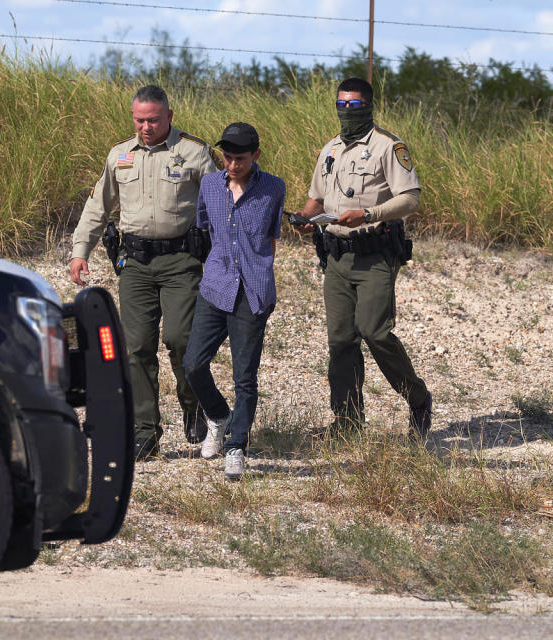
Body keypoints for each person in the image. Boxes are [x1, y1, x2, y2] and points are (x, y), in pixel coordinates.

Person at [69, 84, 218, 460]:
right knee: (136, 347)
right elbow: (97, 207)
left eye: (153, 120)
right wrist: (79, 251)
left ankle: (194, 407)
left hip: (181, 261)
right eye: (139, 120)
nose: (146, 127)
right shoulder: (120, 155)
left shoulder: (194, 153)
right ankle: (145, 431)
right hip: (134, 264)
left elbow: (221, 205)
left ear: (169, 116)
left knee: (181, 339)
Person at [297, 76, 433, 439]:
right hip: (337, 258)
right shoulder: (330, 149)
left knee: (375, 332)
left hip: (374, 253)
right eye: (341, 105)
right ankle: (347, 422)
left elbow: (410, 198)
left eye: (354, 105)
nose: (347, 111)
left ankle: (417, 398)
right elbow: (317, 199)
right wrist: (304, 219)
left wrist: (369, 214)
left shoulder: (389, 146)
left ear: (369, 106)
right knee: (340, 340)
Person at [182, 122, 284, 480]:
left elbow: (271, 237)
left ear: (256, 155)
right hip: (216, 285)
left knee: (245, 377)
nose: (232, 164)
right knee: (193, 363)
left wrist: (260, 275)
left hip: (253, 291)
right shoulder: (210, 185)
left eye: (239, 158)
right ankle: (219, 417)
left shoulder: (274, 188)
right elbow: (205, 228)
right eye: (226, 157)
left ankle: (236, 446)